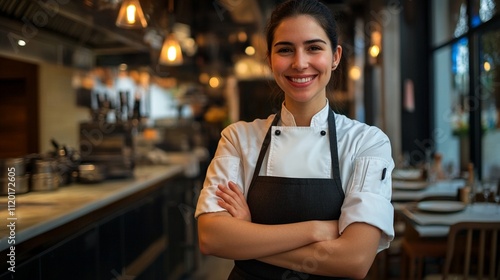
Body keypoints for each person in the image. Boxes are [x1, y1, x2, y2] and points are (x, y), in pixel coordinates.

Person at [194, 0, 395, 278]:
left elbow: (355, 260)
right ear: (270, 60)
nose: (300, 63)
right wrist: (318, 229)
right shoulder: (238, 138)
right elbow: (211, 238)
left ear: (335, 56)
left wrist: (248, 237)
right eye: (285, 50)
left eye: (314, 48)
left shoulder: (367, 143)